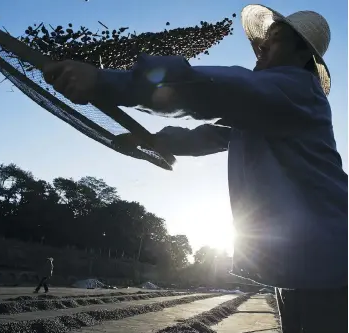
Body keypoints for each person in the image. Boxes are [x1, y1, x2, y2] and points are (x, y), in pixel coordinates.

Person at [42, 5, 348, 332]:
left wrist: (104, 81)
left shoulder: (295, 88)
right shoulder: (270, 107)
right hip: (306, 258)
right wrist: (156, 141)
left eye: (273, 40)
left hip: (325, 253)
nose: (261, 48)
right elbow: (215, 135)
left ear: (303, 55)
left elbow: (213, 87)